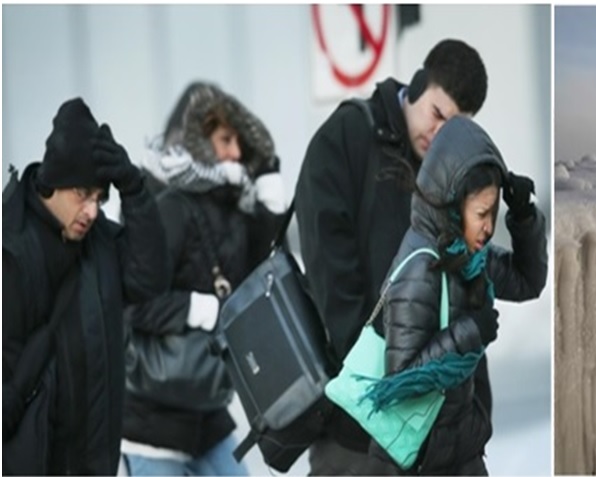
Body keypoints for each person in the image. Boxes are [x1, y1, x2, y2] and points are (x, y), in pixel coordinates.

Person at [295, 38, 497, 474]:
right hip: (363, 430)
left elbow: (464, 272)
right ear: (418, 84)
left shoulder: (448, 168)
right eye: (437, 114)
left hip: (445, 425)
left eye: (454, 127)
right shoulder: (345, 139)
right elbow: (334, 280)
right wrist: (383, 390)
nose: (439, 134)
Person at [120, 81, 287, 476]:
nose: (236, 152)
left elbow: (257, 281)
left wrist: (269, 195)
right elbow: (134, 304)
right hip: (152, 422)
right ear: (195, 141)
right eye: (225, 140)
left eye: (239, 143)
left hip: (206, 415)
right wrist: (203, 309)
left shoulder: (230, 210)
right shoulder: (170, 209)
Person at [365, 116, 548, 475]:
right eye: (481, 213)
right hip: (416, 462)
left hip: (458, 451)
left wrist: (524, 215)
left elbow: (529, 281)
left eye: (493, 212)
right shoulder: (420, 270)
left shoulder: (470, 257)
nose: (489, 226)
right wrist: (468, 333)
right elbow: (401, 380)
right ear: (451, 205)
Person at [3, 97, 171, 475]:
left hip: (96, 463)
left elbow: (150, 279)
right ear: (52, 186)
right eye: (82, 195)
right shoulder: (11, 254)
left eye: (99, 198)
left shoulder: (101, 243)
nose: (92, 211)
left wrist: (134, 188)